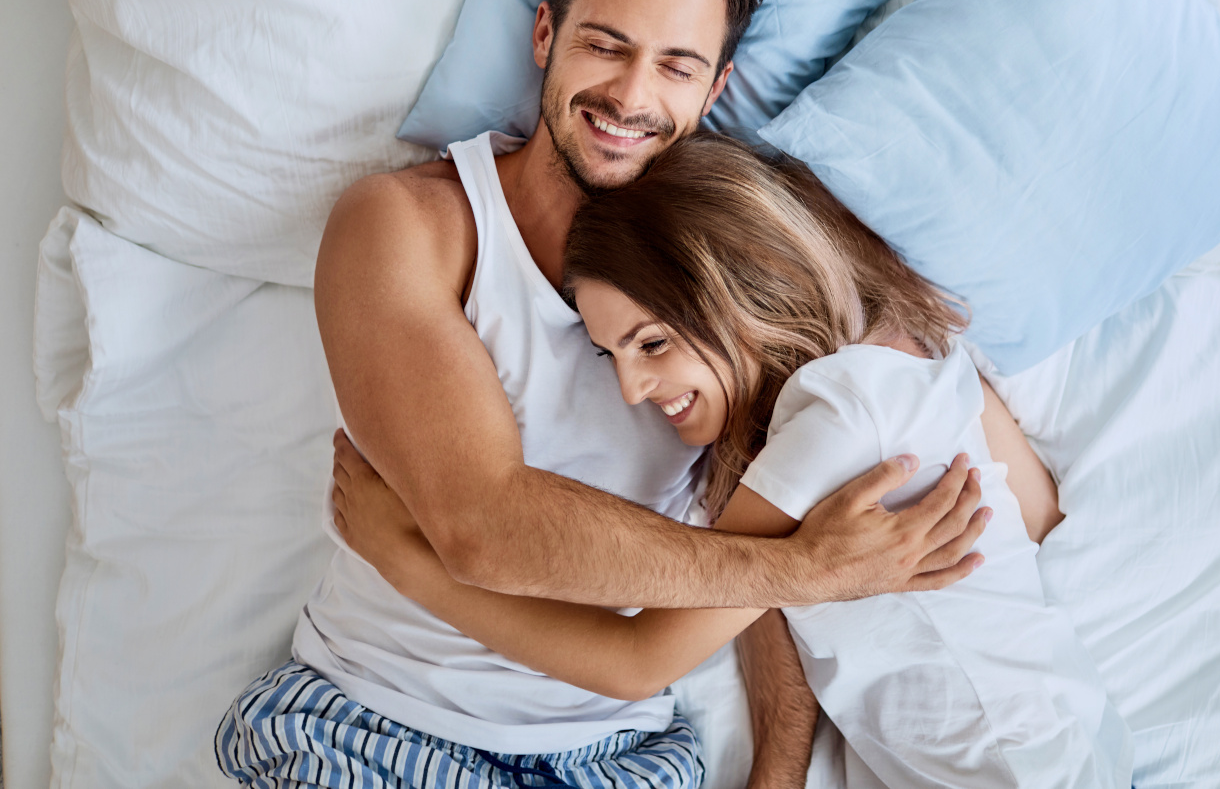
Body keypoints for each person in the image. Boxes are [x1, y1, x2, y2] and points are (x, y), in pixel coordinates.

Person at [216, 0, 986, 789]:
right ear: (545, 36)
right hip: (382, 726)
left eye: (675, 65)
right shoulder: (412, 227)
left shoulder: (739, 275)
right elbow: (483, 526)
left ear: (714, 88)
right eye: (604, 45)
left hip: (617, 758)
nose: (630, 94)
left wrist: (776, 767)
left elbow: (761, 524)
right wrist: (803, 570)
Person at [331, 133, 1132, 789]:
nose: (635, 388)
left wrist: (408, 563)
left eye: (652, 343)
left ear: (741, 287)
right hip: (1073, 748)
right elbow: (1035, 514)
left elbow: (641, 658)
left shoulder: (841, 415)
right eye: (612, 354)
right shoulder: (914, 371)